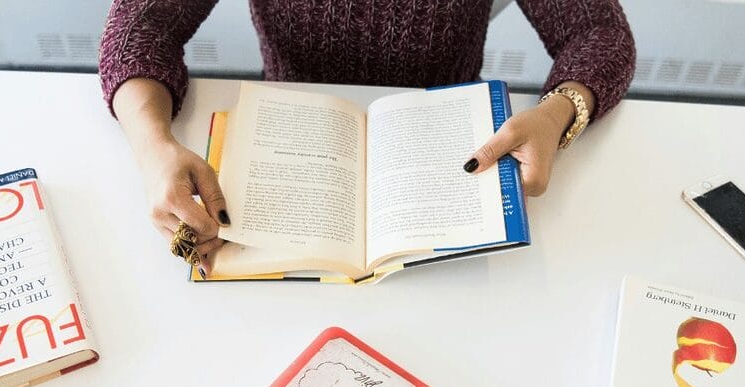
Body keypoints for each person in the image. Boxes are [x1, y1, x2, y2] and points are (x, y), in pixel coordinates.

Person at [99, 1, 636, 274]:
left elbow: (598, 32)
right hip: (291, 149)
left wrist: (560, 111)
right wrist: (153, 146)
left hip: (448, 159)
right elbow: (139, 26)